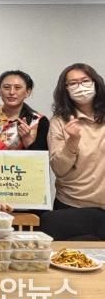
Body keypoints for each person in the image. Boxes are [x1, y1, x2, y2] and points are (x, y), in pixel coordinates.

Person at [40, 63, 105, 240]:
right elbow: (59, 169)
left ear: (96, 83)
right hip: (73, 206)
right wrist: (72, 142)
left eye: (85, 81)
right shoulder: (60, 122)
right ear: (65, 89)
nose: (80, 87)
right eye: (73, 83)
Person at [0, 70, 49, 150]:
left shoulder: (38, 121)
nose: (11, 92)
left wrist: (27, 139)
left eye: (17, 88)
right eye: (6, 87)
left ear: (28, 92)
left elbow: (42, 155)